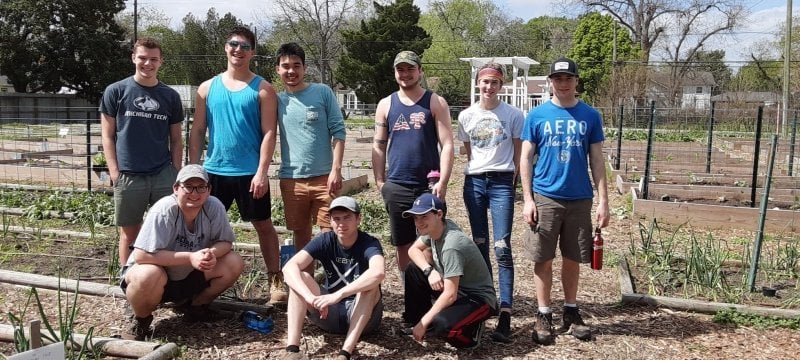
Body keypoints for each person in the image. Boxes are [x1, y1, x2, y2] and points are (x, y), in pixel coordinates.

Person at [188, 27, 285, 303]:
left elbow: (269, 132)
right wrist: (194, 171)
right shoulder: (207, 88)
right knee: (204, 228)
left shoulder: (263, 89)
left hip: (249, 174)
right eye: (233, 44)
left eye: (244, 47)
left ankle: (275, 280)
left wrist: (262, 172)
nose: (238, 50)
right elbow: (197, 130)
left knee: (263, 225)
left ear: (252, 52)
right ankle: (197, 280)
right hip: (214, 172)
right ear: (225, 48)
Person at [520, 57, 610, 344]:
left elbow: (596, 159)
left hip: (579, 198)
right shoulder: (536, 116)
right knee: (542, 258)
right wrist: (528, 199)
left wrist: (603, 200)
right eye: (557, 78)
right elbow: (524, 158)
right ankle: (543, 313)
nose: (563, 83)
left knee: (573, 258)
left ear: (576, 81)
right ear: (550, 81)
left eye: (568, 78)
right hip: (546, 196)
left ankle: (571, 311)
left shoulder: (590, 116)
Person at [120, 164, 244, 340]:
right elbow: (141, 256)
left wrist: (210, 253)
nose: (195, 193)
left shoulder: (214, 207)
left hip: (188, 275)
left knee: (234, 262)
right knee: (147, 274)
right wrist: (190, 257)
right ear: (176, 188)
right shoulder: (164, 210)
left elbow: (225, 242)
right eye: (188, 187)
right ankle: (141, 320)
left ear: (209, 190)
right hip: (159, 275)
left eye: (201, 187)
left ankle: (196, 306)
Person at [100, 37, 184, 265]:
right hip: (128, 175)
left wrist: (175, 171)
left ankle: (163, 278)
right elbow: (107, 135)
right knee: (129, 232)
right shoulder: (115, 91)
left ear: (161, 62)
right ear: (133, 58)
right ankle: (127, 277)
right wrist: (114, 172)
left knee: (167, 229)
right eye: (143, 58)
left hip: (161, 174)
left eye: (153, 59)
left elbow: (176, 139)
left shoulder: (170, 96)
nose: (148, 64)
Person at [456, 62, 523, 343]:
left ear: (502, 85)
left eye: (494, 83)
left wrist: (516, 182)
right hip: (475, 182)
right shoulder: (466, 116)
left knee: (502, 247)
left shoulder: (513, 115)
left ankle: (505, 311)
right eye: (484, 82)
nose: (489, 87)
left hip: (501, 182)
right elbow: (469, 152)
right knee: (480, 244)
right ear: (478, 84)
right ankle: (486, 301)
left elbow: (519, 154)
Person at [372, 50, 454, 275]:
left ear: (420, 71)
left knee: (431, 241)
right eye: (401, 69)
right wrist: (381, 182)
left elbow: (447, 144)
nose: (405, 74)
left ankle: (434, 292)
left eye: (410, 68)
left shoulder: (435, 102)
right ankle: (411, 293)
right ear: (395, 73)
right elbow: (378, 146)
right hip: (397, 184)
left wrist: (443, 182)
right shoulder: (386, 105)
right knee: (403, 245)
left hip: (428, 185)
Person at [282, 196, 385, 360]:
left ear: (358, 219)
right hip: (328, 313)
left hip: (364, 318)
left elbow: (378, 272)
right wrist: (310, 297)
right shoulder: (325, 240)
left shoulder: (369, 243)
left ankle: (345, 352)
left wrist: (338, 295)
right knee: (299, 278)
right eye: (336, 219)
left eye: (347, 218)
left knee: (370, 287)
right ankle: (292, 350)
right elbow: (289, 268)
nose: (341, 224)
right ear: (330, 221)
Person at [275, 42, 346, 265]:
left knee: (329, 232)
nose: (291, 71)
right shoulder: (277, 101)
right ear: (278, 69)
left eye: (296, 65)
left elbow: (339, 132)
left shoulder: (322, 92)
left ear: (304, 68)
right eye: (285, 66)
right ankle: (305, 284)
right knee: (301, 235)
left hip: (324, 178)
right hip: (291, 179)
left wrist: (336, 170)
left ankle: (330, 281)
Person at [403, 193, 496, 349]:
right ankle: (419, 323)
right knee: (414, 269)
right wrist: (429, 271)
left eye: (424, 216)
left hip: (478, 299)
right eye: (415, 218)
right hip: (455, 289)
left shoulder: (452, 244)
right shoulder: (437, 229)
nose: (419, 223)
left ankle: (471, 334)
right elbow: (413, 250)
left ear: (439, 214)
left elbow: (450, 295)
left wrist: (424, 322)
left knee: (444, 326)